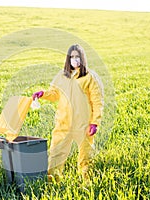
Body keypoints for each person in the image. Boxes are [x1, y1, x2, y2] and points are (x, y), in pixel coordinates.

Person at [32, 44, 104, 181]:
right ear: (68, 59)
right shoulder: (61, 76)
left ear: (82, 59)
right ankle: (53, 181)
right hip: (63, 123)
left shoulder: (89, 77)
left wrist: (95, 122)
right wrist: (43, 94)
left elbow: (97, 101)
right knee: (56, 153)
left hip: (83, 124)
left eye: (78, 57)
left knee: (85, 156)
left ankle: (86, 182)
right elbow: (54, 94)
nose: (75, 60)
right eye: (72, 57)